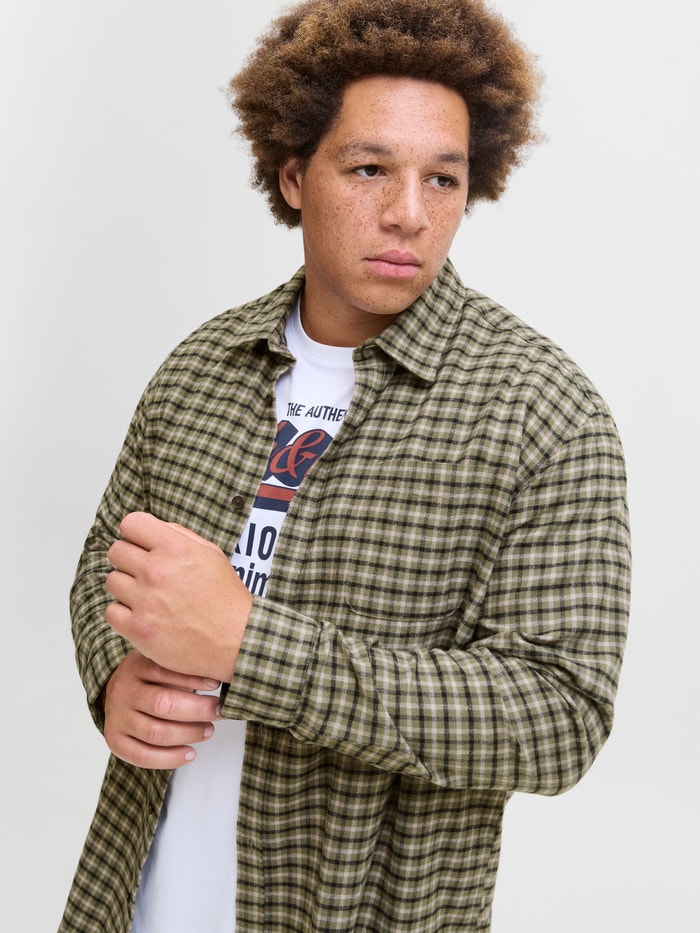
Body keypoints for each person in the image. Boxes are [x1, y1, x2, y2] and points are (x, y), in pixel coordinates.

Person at [60, 1, 631, 930]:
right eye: (369, 169)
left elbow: (559, 717)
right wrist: (111, 675)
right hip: (132, 899)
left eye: (442, 178)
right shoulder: (201, 368)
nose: (409, 213)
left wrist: (249, 645)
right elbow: (104, 559)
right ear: (294, 175)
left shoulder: (542, 412)